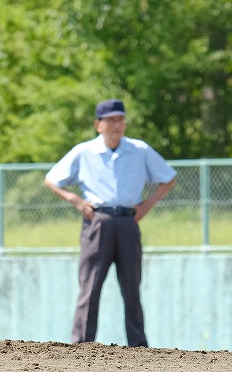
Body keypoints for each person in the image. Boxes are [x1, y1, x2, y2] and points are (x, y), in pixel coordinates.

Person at [44, 98, 177, 347]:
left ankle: (138, 345)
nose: (117, 125)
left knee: (132, 287)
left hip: (128, 221)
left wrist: (147, 204)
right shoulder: (84, 152)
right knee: (90, 286)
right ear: (98, 125)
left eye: (121, 119)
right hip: (98, 222)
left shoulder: (139, 150)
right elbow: (52, 179)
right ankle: (81, 345)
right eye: (111, 120)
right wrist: (75, 200)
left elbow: (168, 177)